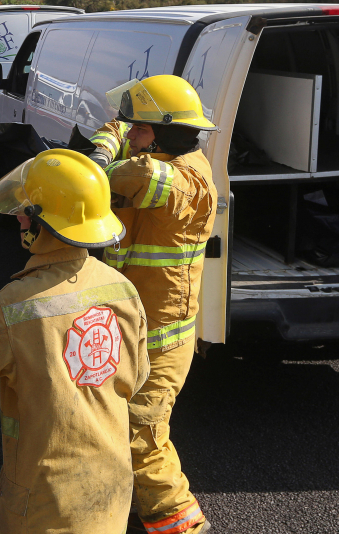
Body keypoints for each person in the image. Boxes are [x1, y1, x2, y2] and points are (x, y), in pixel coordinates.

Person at [0, 148, 149, 534]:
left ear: (43, 223)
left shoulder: (18, 307)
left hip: (46, 502)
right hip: (110, 487)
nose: (20, 218)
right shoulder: (122, 288)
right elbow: (137, 375)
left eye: (26, 211)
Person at [88, 75, 218, 534]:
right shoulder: (158, 156)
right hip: (131, 326)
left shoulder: (182, 179)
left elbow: (117, 177)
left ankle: (181, 524)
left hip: (162, 339)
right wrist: (119, 134)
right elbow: (123, 150)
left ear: (161, 132)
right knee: (113, 422)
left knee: (142, 432)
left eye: (138, 129)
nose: (131, 136)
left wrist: (103, 148)